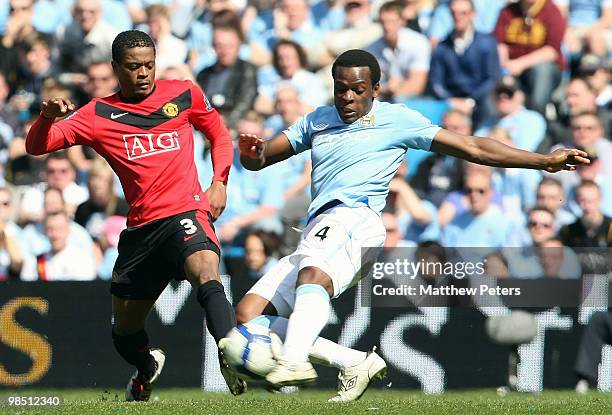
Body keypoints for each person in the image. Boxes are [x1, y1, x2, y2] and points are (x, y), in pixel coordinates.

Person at [230, 49, 589, 401]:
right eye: (342, 88)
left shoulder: (397, 119)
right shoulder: (317, 120)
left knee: (313, 278)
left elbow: (471, 146)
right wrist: (252, 153)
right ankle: (354, 361)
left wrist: (543, 161)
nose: (348, 97)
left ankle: (293, 361)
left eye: (358, 89)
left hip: (356, 220)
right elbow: (262, 159)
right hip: (320, 227)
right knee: (248, 316)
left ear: (376, 89)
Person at [24, 30, 244, 401]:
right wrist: (46, 117)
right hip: (142, 231)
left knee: (207, 270)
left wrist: (219, 181)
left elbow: (219, 135)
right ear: (115, 69)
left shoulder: (183, 93)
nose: (143, 73)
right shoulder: (97, 114)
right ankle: (145, 368)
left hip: (186, 212)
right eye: (133, 67)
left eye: (149, 65)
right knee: (124, 332)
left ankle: (231, 351)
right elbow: (36, 146)